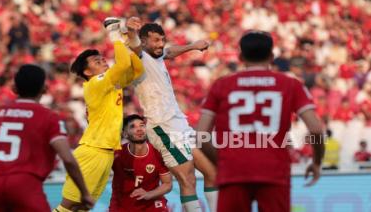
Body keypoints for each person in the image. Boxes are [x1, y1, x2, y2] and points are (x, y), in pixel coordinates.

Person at [197, 31, 324, 212]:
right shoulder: (290, 84)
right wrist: (317, 162)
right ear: (272, 56)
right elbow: (317, 130)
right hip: (274, 171)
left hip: (233, 171)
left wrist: (223, 161)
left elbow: (201, 135)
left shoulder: (221, 85)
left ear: (240, 56)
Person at [0, 64, 94, 212]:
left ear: (14, 89)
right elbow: (68, 159)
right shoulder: (49, 117)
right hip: (25, 185)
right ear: (45, 89)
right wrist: (84, 193)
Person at [54, 17, 144, 212]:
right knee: (68, 205)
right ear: (87, 71)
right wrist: (115, 35)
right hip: (93, 150)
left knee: (83, 207)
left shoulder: (110, 83)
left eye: (102, 58)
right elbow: (121, 66)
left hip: (105, 151)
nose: (103, 60)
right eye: (97, 61)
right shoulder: (95, 82)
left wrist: (128, 44)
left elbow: (137, 69)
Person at [129, 22, 217, 212]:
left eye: (162, 39)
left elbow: (169, 52)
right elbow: (134, 45)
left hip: (180, 125)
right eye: (156, 40)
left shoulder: (157, 56)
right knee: (188, 178)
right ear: (143, 41)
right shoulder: (139, 57)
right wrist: (129, 30)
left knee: (212, 172)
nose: (160, 44)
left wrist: (192, 46)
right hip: (163, 127)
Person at [109, 114, 172, 212]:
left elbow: (167, 184)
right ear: (125, 134)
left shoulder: (158, 152)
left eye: (142, 125)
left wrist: (148, 194)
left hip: (152, 204)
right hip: (122, 206)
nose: (139, 129)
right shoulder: (117, 154)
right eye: (133, 126)